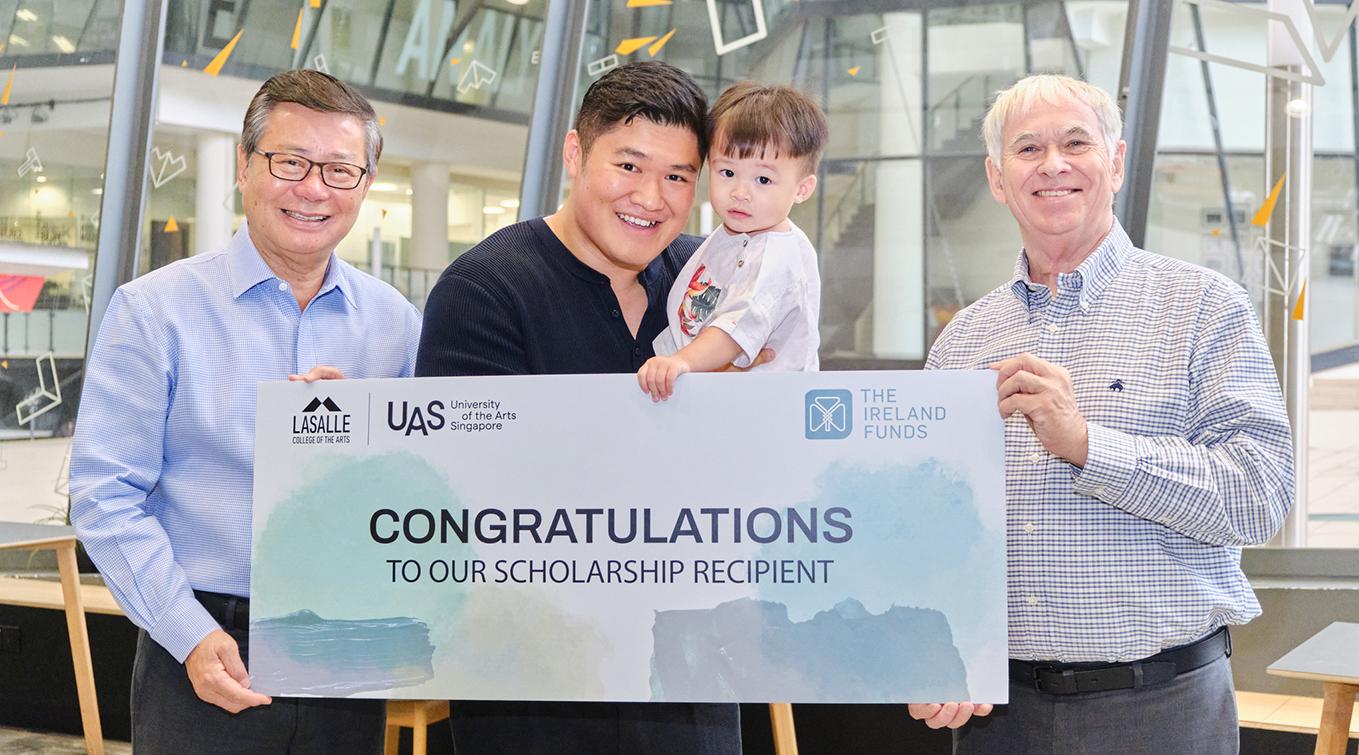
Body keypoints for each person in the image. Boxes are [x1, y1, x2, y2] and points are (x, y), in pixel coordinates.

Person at [912, 73, 1294, 753]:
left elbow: (1259, 495)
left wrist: (1088, 444)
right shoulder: (961, 342)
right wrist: (932, 648)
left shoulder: (1203, 306)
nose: (1052, 164)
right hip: (999, 718)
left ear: (1114, 163)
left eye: (1075, 142)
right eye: (1027, 148)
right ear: (997, 179)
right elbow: (926, 527)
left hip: (1160, 710)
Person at [70, 70, 421, 754]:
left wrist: (371, 441)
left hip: (346, 645)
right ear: (244, 166)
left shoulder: (397, 325)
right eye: (290, 162)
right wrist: (190, 634)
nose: (314, 188)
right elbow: (104, 495)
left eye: (340, 169)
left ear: (366, 184)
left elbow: (423, 489)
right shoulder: (154, 310)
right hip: (202, 640)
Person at [416, 61, 741, 754]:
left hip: (688, 675)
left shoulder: (706, 285)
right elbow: (467, 502)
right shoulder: (485, 289)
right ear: (573, 153)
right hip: (536, 688)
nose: (651, 197)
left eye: (678, 176)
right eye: (628, 164)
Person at [637, 82, 826, 401]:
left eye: (763, 179)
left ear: (802, 189)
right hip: (720, 401)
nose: (740, 192)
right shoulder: (730, 235)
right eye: (727, 172)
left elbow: (736, 327)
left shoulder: (779, 256)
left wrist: (680, 362)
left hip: (768, 411)